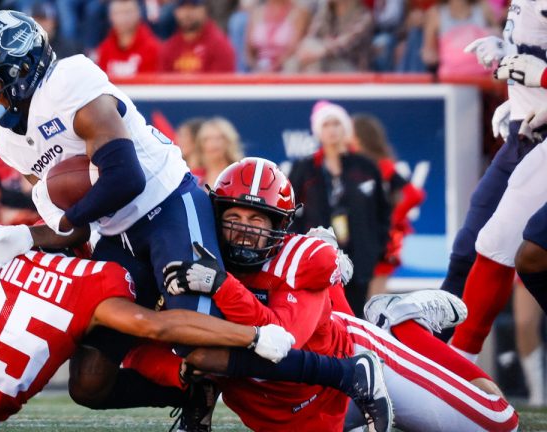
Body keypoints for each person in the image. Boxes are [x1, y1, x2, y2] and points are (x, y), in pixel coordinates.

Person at [0, 8, 238, 421]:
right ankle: (189, 391)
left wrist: (62, 225)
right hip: (114, 232)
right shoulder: (7, 138)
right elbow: (69, 223)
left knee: (193, 328)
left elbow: (127, 177)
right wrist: (28, 237)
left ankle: (262, 371)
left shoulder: (69, 81)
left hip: (166, 204)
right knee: (90, 384)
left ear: (22, 71)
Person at [161, 157, 519, 432]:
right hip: (293, 409)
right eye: (233, 217)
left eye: (256, 221)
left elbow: (279, 340)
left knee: (498, 421)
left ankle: (401, 326)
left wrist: (222, 286)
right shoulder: (202, 261)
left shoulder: (297, 258)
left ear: (280, 225)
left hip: (359, 362)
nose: (242, 230)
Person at [0, 223, 295, 432]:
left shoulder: (0, 242)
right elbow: (157, 327)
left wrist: (27, 234)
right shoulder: (97, 284)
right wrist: (253, 335)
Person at [433, 0, 546, 355]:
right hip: (524, 135)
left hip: (540, 136)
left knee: (517, 251)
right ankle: (442, 360)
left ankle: (452, 364)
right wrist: (519, 94)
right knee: (475, 245)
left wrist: (540, 78)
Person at [288, 101, 391, 318]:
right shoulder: (304, 169)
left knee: (354, 315)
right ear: (318, 131)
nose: (332, 130)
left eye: (337, 123)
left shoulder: (365, 166)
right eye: (326, 124)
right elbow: (290, 211)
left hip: (359, 257)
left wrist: (375, 249)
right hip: (317, 256)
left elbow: (382, 211)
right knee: (321, 315)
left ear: (345, 128)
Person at [351, 114, 426, 298]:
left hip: (383, 241)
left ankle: (375, 326)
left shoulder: (382, 165)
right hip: (365, 240)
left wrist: (391, 220)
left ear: (360, 137)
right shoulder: (355, 165)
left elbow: (413, 195)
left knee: (376, 294)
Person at [160, 0, 236, 73]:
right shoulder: (169, 47)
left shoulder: (220, 46)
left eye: (193, 7)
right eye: (182, 7)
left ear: (205, 10)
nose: (187, 13)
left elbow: (221, 84)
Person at [96, 0, 161, 77]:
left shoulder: (152, 47)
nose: (123, 18)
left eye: (128, 12)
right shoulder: (104, 49)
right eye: (118, 13)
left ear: (138, 14)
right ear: (111, 17)